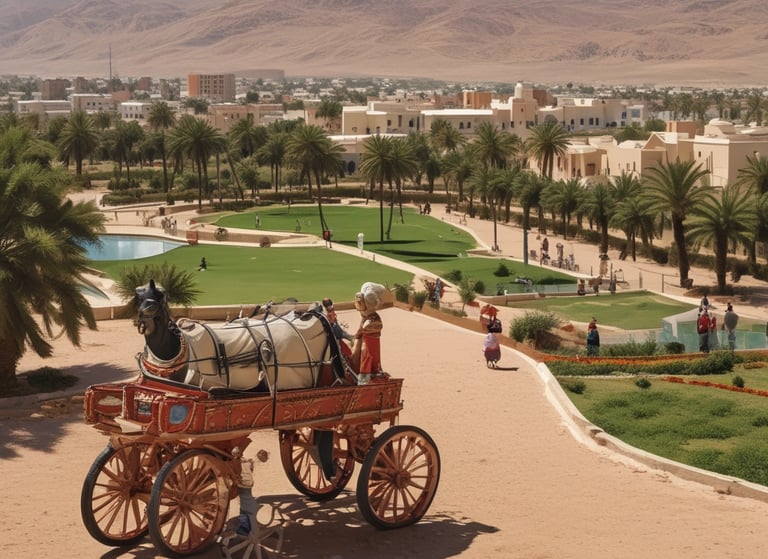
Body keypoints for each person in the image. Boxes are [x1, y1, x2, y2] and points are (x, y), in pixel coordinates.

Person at [352, 282, 386, 385]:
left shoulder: (370, 318)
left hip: (370, 339)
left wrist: (361, 331)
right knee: (362, 353)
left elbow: (366, 327)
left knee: (365, 354)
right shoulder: (368, 317)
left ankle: (365, 375)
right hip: (367, 339)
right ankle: (362, 375)